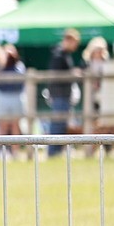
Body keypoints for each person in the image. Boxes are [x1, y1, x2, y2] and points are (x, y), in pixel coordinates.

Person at [46, 28, 81, 156]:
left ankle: (56, 151)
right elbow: (58, 73)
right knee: (58, 124)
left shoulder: (62, 54)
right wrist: (72, 73)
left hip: (62, 94)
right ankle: (53, 151)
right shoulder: (59, 54)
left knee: (61, 124)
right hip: (59, 94)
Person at [0, 45, 26, 153]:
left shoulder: (19, 67)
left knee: (15, 125)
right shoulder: (0, 66)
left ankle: (15, 151)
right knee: (2, 125)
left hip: (16, 97)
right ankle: (1, 151)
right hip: (3, 97)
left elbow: (21, 81)